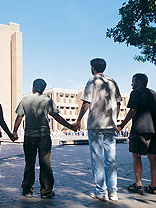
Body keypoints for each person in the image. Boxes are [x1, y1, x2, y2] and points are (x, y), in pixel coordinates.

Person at [13, 78, 74, 199]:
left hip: (29, 136)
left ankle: (27, 190)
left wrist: (14, 131)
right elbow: (56, 116)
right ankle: (46, 191)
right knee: (45, 164)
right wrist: (70, 126)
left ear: (33, 87)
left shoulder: (25, 100)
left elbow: (19, 117)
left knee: (29, 163)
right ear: (43, 89)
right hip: (44, 136)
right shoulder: (47, 100)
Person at [72, 58, 121, 201]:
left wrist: (78, 120)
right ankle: (113, 192)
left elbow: (86, 103)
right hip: (110, 125)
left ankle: (101, 191)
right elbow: (118, 103)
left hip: (96, 124)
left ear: (92, 67)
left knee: (97, 158)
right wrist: (115, 119)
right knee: (111, 158)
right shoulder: (112, 82)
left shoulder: (92, 81)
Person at [117, 73, 156, 194]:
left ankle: (138, 184)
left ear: (138, 82)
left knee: (136, 156)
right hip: (154, 130)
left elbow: (133, 110)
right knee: (153, 158)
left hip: (139, 129)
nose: (131, 83)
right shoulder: (154, 94)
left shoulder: (136, 93)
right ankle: (153, 186)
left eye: (133, 81)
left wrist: (121, 125)